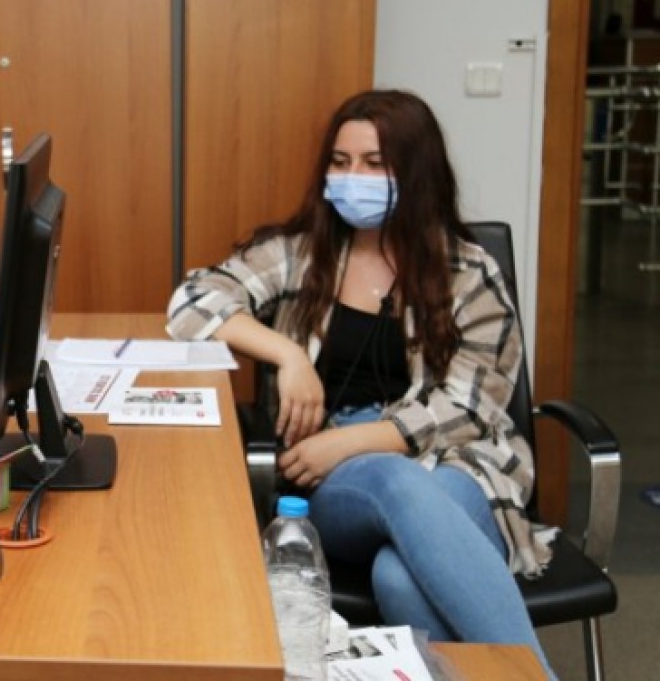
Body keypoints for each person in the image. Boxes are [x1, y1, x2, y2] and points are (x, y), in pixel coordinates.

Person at [166, 90, 555, 674]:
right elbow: (190, 303)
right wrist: (288, 354)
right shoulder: (300, 255)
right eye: (341, 162)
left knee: (396, 576)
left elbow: (471, 408)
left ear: (416, 171)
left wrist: (350, 441)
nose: (354, 178)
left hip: (461, 463)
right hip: (336, 482)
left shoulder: (470, 271)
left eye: (375, 164)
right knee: (396, 482)